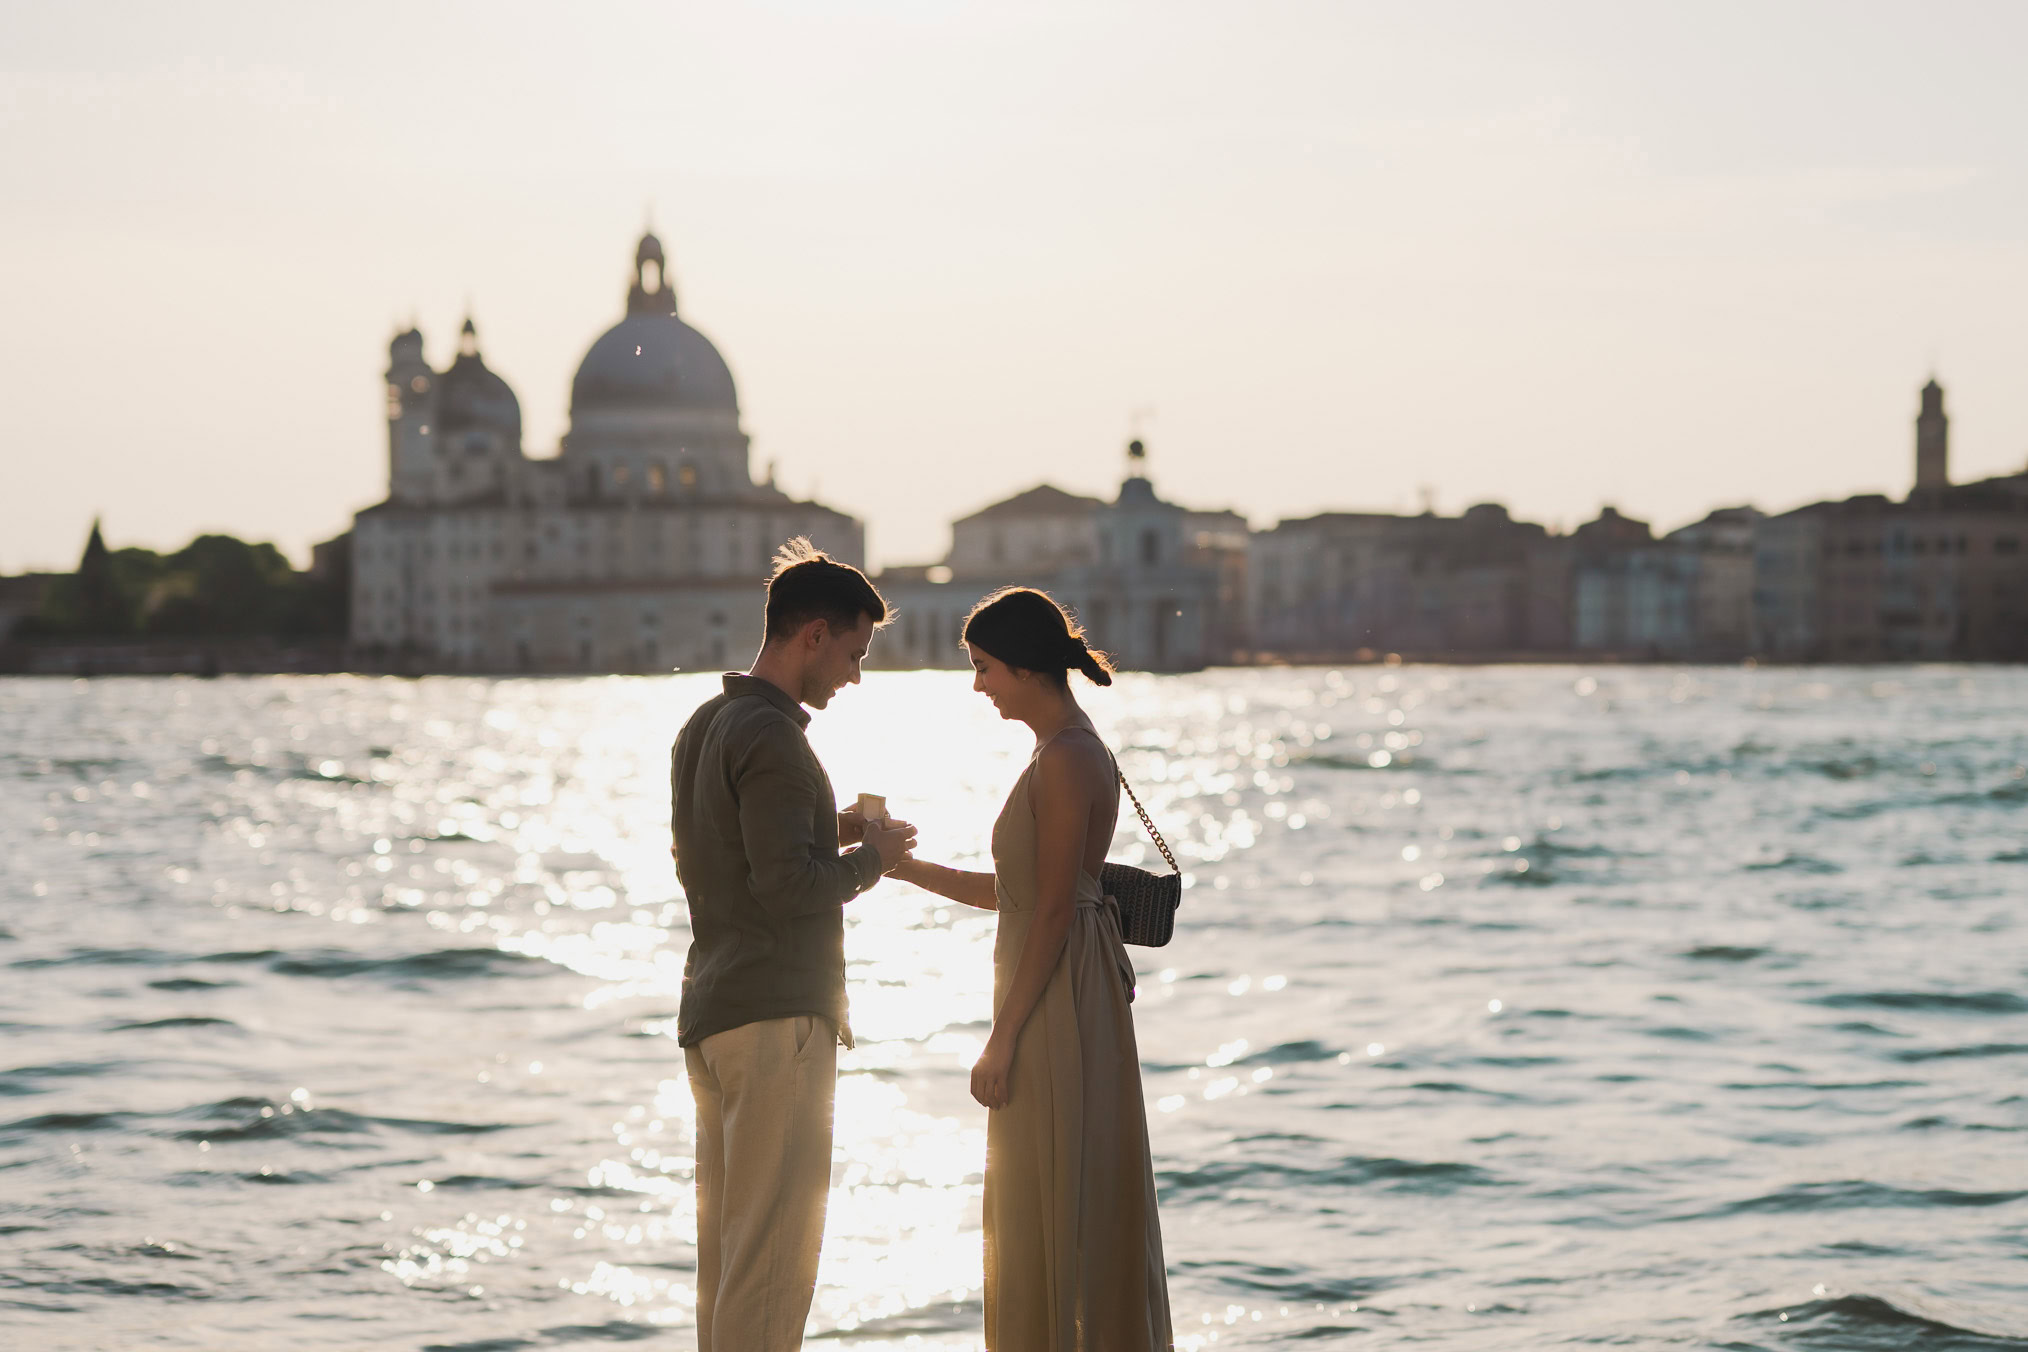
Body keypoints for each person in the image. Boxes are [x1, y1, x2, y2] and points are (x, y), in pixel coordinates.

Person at [893, 587, 1173, 1351]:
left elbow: (1051, 912)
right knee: (1049, 1187)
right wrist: (907, 870)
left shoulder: (1070, 757)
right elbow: (1024, 897)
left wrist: (1001, 1041)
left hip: (1058, 996)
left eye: (984, 668)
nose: (978, 685)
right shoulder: (1062, 751)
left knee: (1053, 1188)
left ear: (1024, 667)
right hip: (1061, 979)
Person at [671, 538, 917, 1352]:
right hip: (779, 1018)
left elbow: (713, 854)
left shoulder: (707, 725)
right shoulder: (776, 738)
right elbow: (790, 888)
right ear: (813, 635)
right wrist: (872, 860)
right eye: (853, 652)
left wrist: (829, 827)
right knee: (772, 1262)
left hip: (714, 1012)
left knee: (729, 1260)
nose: (853, 675)